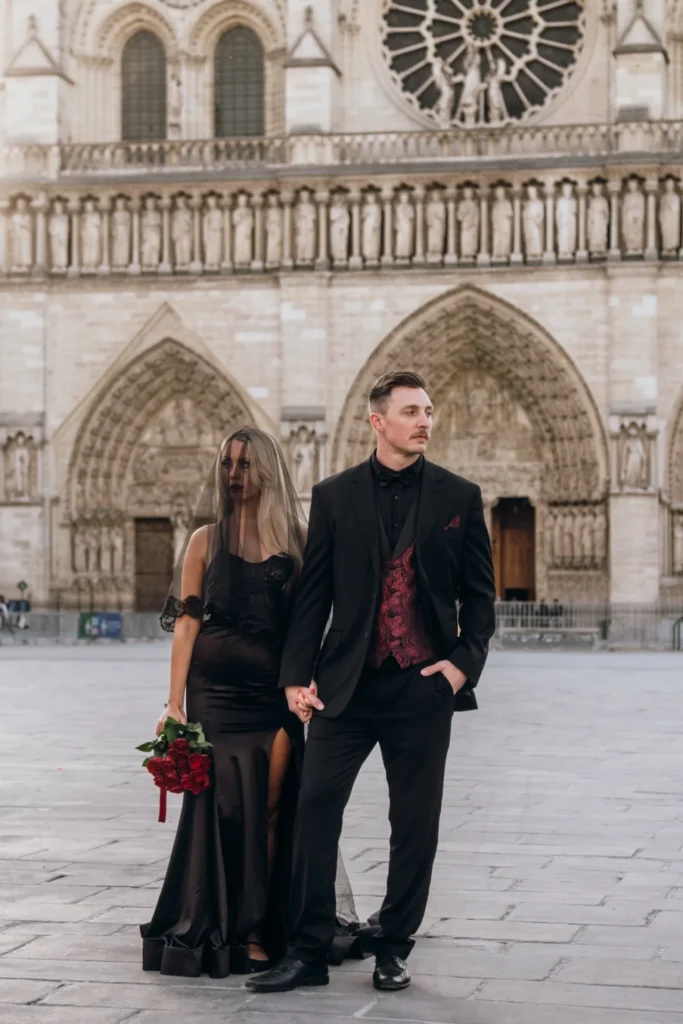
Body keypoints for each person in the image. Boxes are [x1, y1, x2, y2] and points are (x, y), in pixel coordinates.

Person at [248, 370, 496, 994]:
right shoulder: (334, 495)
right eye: (411, 411)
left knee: (414, 822)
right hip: (345, 685)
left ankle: (393, 946)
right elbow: (314, 594)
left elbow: (480, 597)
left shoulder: (460, 496)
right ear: (377, 420)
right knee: (314, 808)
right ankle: (308, 951)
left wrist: (460, 666)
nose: (425, 421)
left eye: (429, 411)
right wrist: (295, 677)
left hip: (422, 686)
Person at [141, 428, 312, 978]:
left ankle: (260, 925)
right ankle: (222, 922)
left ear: (268, 470)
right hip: (212, 693)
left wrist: (306, 682)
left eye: (245, 464)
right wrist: (174, 704)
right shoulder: (204, 540)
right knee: (221, 807)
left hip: (270, 694)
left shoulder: (299, 541)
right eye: (226, 464)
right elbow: (187, 624)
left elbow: (309, 624)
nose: (234, 475)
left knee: (270, 804)